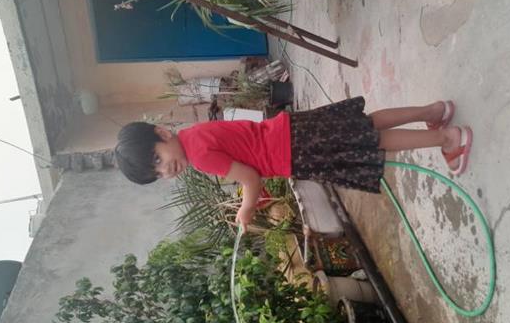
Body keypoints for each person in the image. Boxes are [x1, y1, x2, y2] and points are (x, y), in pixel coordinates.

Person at [114, 97, 472, 232]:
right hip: (292, 129)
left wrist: (246, 209)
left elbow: (250, 178)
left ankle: (447, 139)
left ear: (162, 133)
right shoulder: (194, 134)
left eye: (158, 159)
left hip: (296, 151)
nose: (165, 170)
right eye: (156, 174)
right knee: (366, 123)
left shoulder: (200, 157)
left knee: (371, 141)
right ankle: (434, 111)